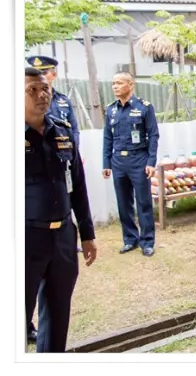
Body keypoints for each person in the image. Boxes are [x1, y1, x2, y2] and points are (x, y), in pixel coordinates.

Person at [25, 67, 97, 352]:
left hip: (63, 239)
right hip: (25, 239)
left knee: (57, 319)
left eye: (45, 89)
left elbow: (77, 186)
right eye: (32, 90)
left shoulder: (62, 131)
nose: (42, 95)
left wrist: (88, 235)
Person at [102, 72, 159, 257]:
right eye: (113, 83)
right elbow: (107, 137)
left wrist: (151, 162)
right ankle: (130, 239)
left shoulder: (144, 107)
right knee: (123, 203)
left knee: (143, 202)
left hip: (139, 160)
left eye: (119, 83)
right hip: (118, 161)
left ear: (131, 84)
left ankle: (147, 241)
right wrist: (106, 163)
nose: (115, 86)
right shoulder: (111, 110)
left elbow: (153, 135)